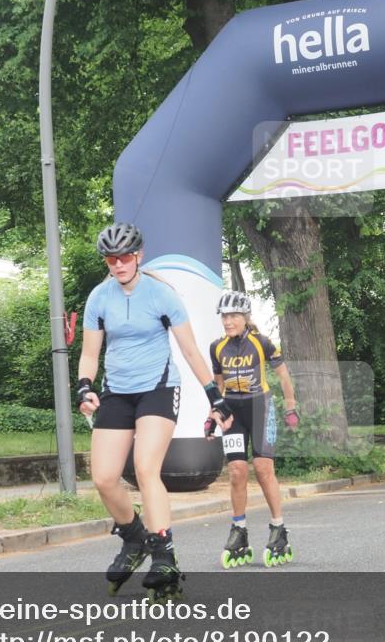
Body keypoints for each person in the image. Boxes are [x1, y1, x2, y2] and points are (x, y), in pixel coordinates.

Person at [77, 224, 232, 600]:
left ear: (139, 256)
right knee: (104, 478)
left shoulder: (162, 295)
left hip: (159, 390)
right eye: (111, 259)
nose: (118, 264)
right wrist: (84, 386)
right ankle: (133, 539)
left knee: (146, 468)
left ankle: (164, 554)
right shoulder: (99, 298)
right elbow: (90, 353)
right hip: (117, 391)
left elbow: (192, 351)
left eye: (125, 257)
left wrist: (215, 396)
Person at [207, 290, 299, 568]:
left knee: (262, 468)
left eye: (233, 315)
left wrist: (290, 406)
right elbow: (217, 386)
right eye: (224, 316)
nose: (227, 321)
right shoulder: (217, 347)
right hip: (233, 412)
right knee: (236, 471)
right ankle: (239, 529)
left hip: (261, 407)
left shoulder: (262, 343)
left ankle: (278, 527)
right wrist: (211, 415)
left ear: (245, 317)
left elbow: (283, 375)